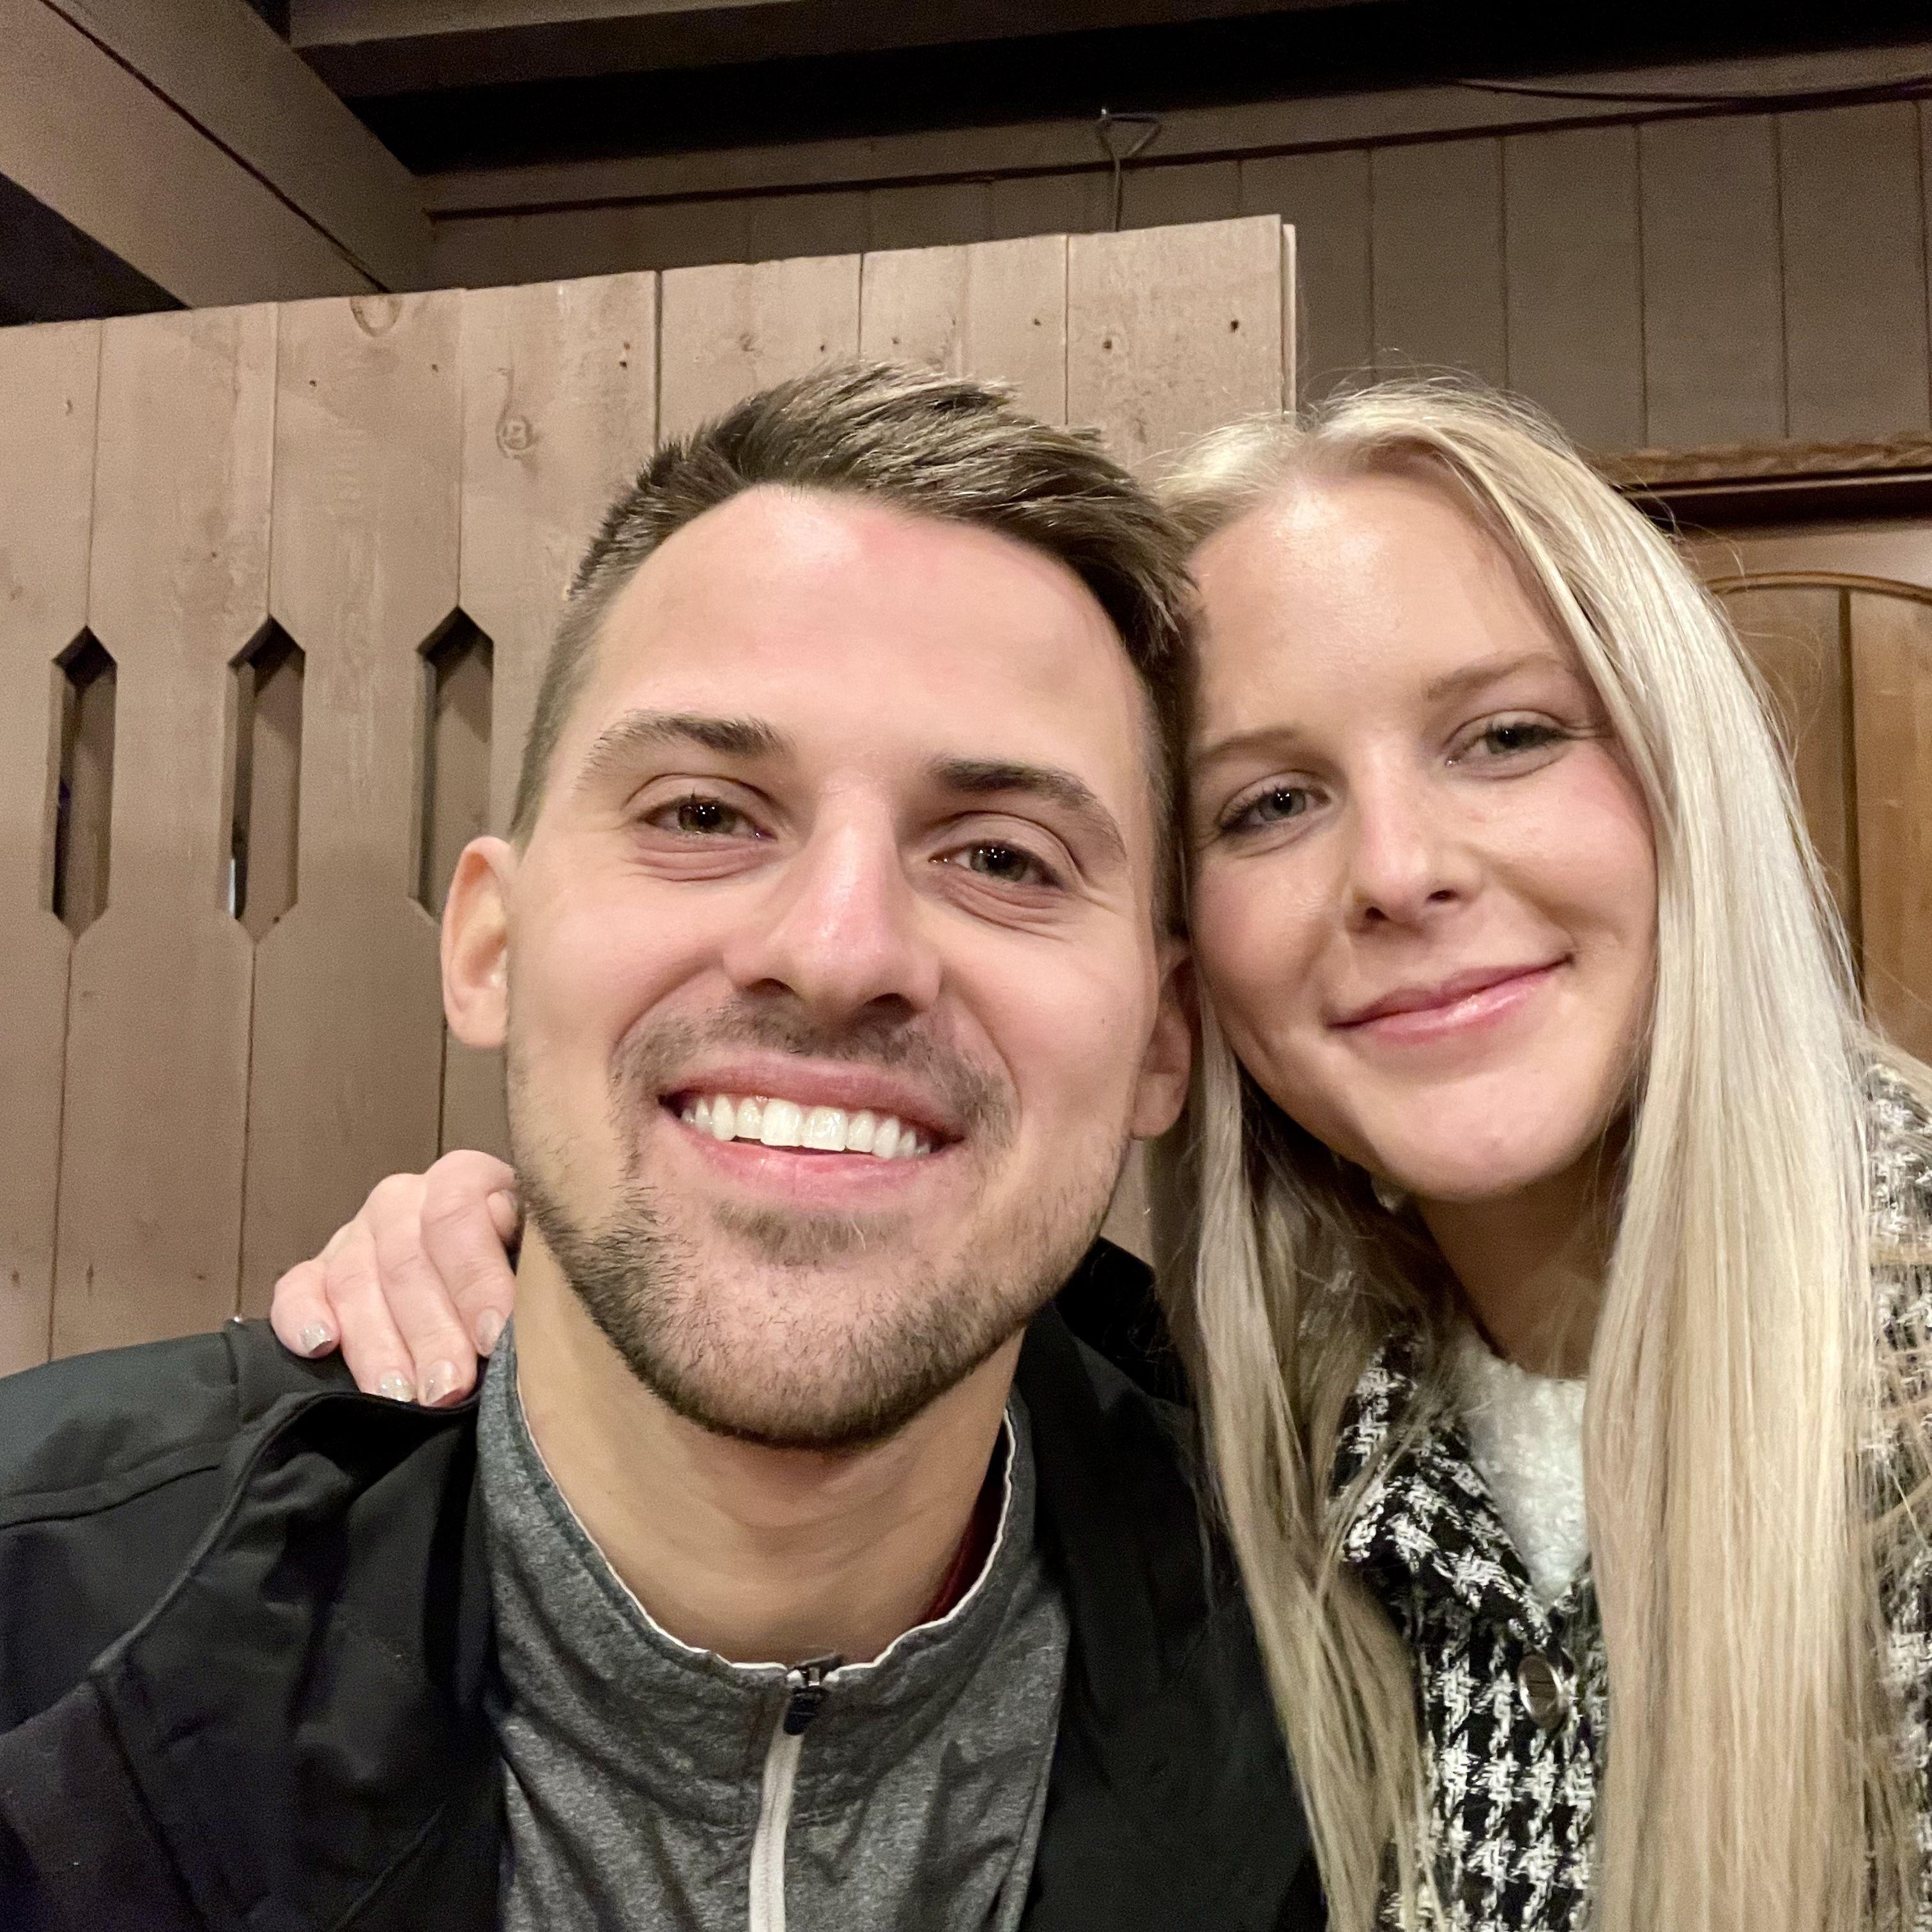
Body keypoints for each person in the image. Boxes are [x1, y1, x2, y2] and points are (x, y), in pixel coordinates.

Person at [303, 380, 1932, 1932]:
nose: (1399, 868)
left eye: (1506, 736)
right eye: (1269, 804)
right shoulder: (1264, 1442)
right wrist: (567, 1249)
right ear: (1184, 985)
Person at [0, 363, 1322, 1932]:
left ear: (1164, 1036)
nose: (837, 951)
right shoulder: (37, 1619)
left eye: (1001, 856)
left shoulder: (1353, 1707)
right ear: (492, 944)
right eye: (704, 815)